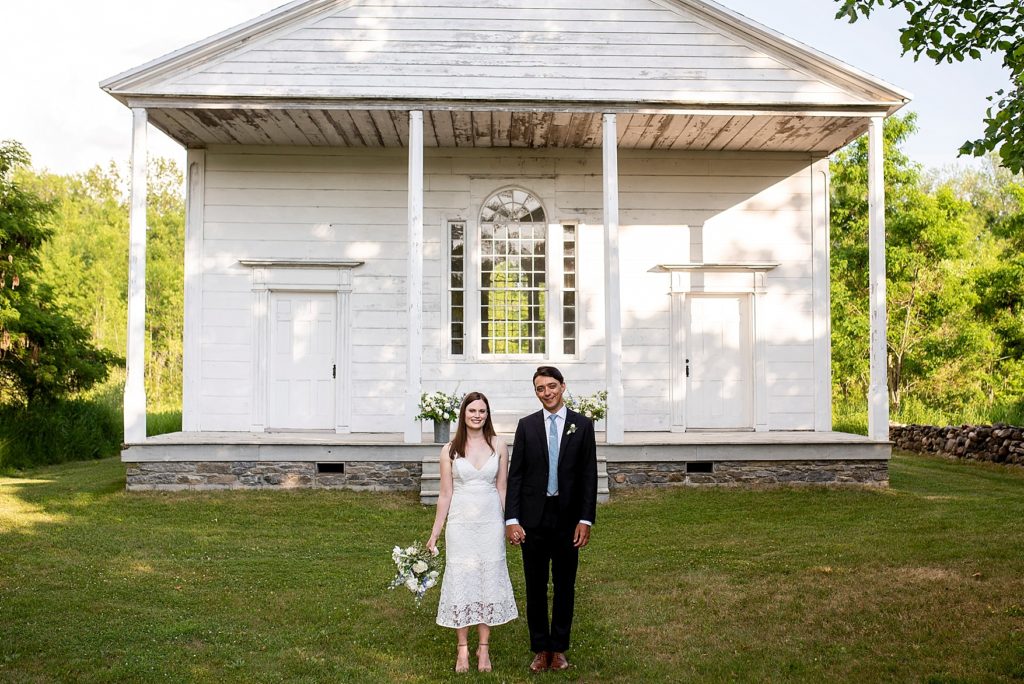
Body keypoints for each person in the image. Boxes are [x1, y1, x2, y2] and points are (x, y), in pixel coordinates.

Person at [505, 366, 598, 673]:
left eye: (551, 386)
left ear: (563, 386)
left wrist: (585, 519)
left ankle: (558, 649)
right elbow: (515, 475)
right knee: (534, 586)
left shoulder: (582, 425)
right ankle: (540, 648)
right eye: (540, 388)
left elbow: (588, 475)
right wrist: (512, 519)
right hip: (533, 519)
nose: (546, 392)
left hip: (568, 519)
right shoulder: (527, 425)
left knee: (564, 586)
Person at [427, 392, 518, 673]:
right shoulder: (450, 450)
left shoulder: (499, 445)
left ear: (487, 414)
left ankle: (484, 650)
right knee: (462, 579)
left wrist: (509, 522)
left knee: (488, 579)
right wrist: (435, 533)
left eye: (482, 410)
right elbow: (445, 494)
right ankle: (463, 649)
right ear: (463, 415)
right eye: (472, 410)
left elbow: (503, 487)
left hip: (490, 521)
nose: (477, 415)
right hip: (461, 523)